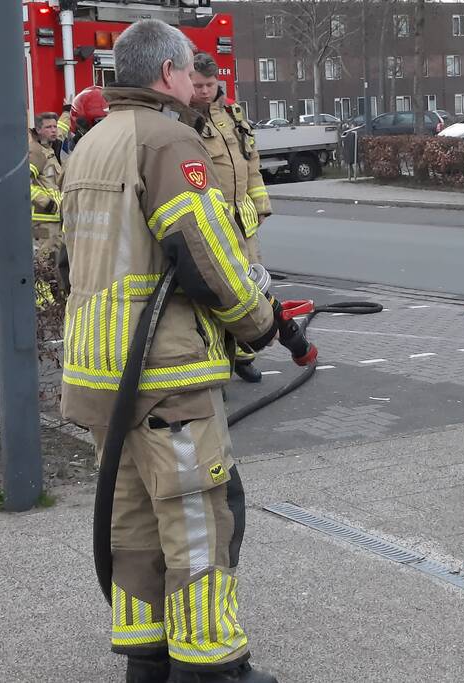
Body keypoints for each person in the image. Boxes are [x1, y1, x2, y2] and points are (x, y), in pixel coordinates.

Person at [58, 19, 278, 683]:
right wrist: (260, 323)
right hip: (163, 369)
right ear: (166, 75)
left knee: (131, 520)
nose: (196, 82)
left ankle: (146, 659)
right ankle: (213, 667)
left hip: (101, 370)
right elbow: (206, 253)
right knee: (196, 516)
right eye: (189, 71)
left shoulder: (92, 143)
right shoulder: (170, 141)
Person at [188, 52, 272, 384]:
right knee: (218, 292)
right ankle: (218, 361)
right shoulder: (182, 119)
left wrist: (260, 203)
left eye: (210, 84)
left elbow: (250, 160)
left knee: (251, 288)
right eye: (198, 85)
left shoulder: (232, 115)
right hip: (212, 219)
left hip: (243, 218)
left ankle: (244, 353)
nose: (205, 91)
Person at [28, 112, 65, 258]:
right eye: (48, 127)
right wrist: (46, 202)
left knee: (57, 263)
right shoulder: (36, 152)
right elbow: (21, 185)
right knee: (45, 261)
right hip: (43, 220)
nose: (54, 130)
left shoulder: (50, 149)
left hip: (56, 220)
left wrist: (67, 110)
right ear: (38, 130)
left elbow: (63, 129)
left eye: (55, 127)